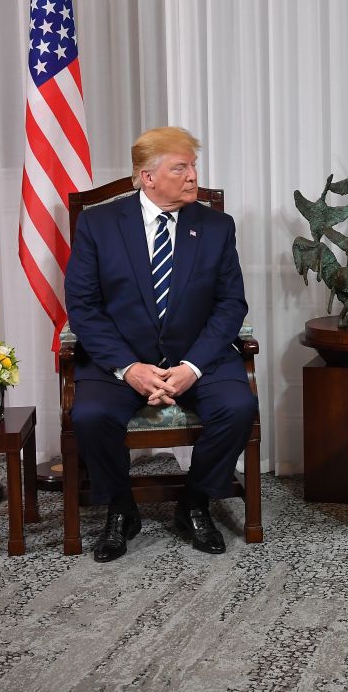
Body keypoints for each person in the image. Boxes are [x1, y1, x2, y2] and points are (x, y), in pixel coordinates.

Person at [64, 126, 257, 563]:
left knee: (238, 407)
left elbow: (231, 305)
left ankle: (193, 503)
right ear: (147, 177)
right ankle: (120, 507)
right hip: (121, 360)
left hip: (197, 356)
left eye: (193, 167)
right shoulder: (99, 225)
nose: (193, 177)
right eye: (181, 168)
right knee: (90, 415)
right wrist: (129, 368)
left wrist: (191, 366)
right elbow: (83, 307)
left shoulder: (216, 226)